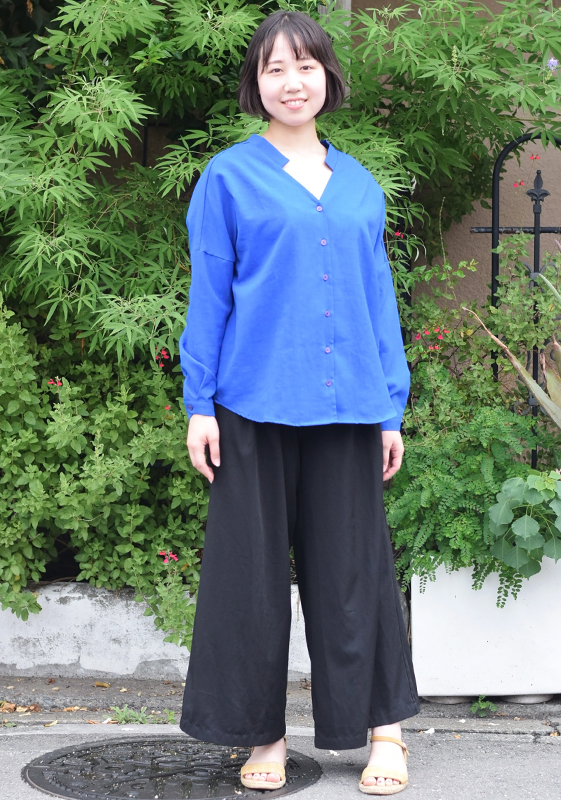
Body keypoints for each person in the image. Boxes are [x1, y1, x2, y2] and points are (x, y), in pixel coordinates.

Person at [178, 9, 420, 796]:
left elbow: (377, 302)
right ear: (256, 84)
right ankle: (266, 736)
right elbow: (209, 296)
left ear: (326, 77)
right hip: (251, 404)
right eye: (274, 68)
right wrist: (199, 403)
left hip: (348, 406)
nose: (291, 82)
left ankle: (383, 732)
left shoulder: (358, 185)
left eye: (305, 66)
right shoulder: (227, 177)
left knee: (354, 575)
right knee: (249, 583)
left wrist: (389, 409)